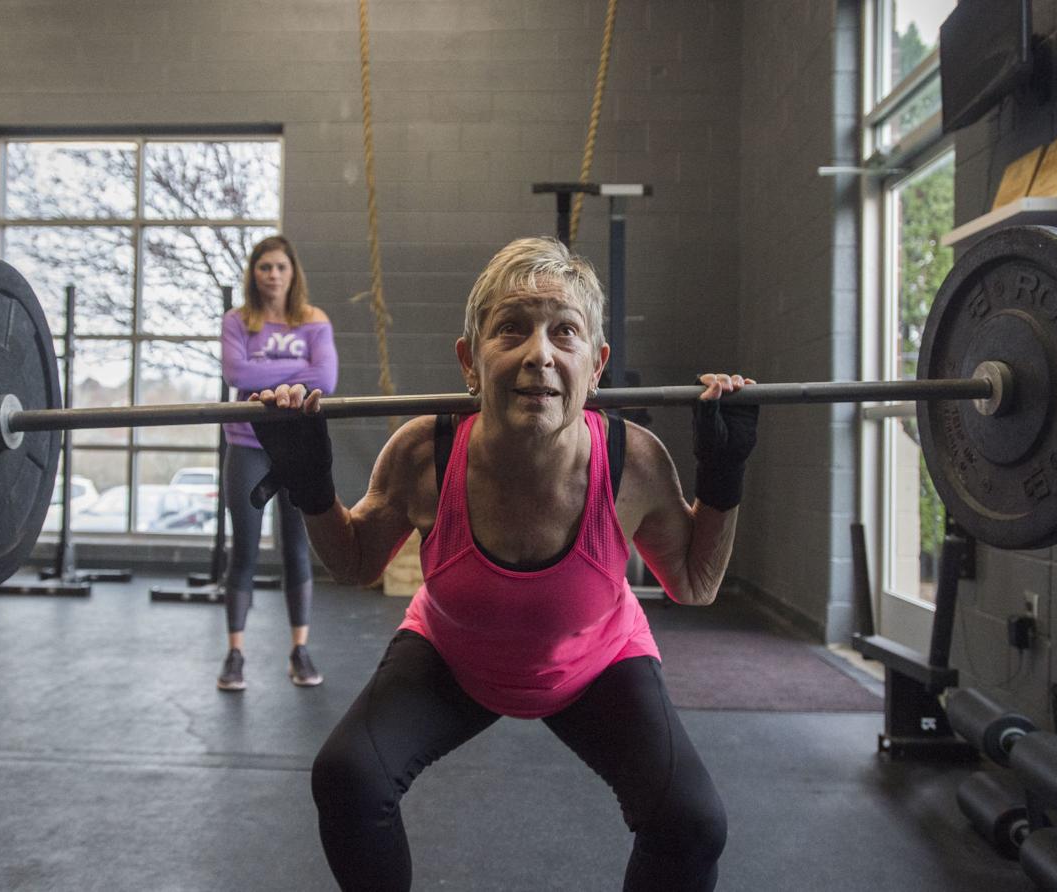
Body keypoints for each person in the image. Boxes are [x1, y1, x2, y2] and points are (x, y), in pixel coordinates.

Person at [249, 237, 758, 890]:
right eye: (511, 329)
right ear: (470, 360)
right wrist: (311, 485)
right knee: (347, 778)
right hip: (454, 656)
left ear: (596, 365)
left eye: (564, 332)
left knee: (692, 824)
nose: (539, 354)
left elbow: (694, 583)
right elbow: (354, 561)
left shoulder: (632, 460)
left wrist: (724, 478)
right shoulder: (426, 450)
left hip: (595, 661)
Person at [216, 234, 338, 691]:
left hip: (294, 445)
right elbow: (236, 374)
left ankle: (300, 651)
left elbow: (325, 378)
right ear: (254, 273)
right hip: (245, 443)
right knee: (243, 550)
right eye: (265, 267)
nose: (272, 275)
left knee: (295, 547)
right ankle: (234, 654)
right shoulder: (238, 321)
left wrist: (269, 375)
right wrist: (296, 373)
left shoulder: (313, 320)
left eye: (280, 267)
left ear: (292, 273)